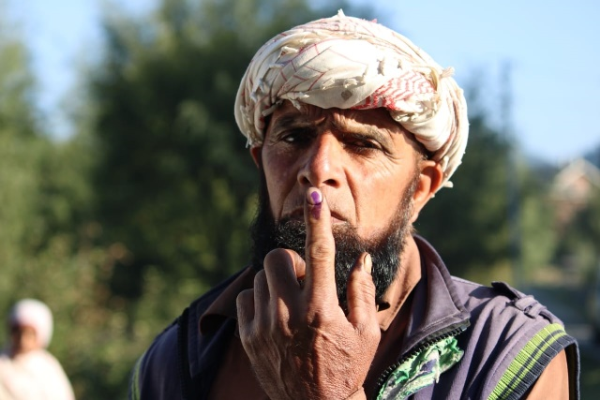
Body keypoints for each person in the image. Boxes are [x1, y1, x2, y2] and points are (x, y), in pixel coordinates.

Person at [129, 11, 580, 400]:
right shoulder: (184, 355)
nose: (318, 167)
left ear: (421, 189)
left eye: (363, 144)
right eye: (294, 136)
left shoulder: (507, 354)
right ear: (260, 162)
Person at [0, 299, 75, 400]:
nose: (23, 340)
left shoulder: (48, 369)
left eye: (30, 334)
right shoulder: (3, 363)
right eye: (18, 332)